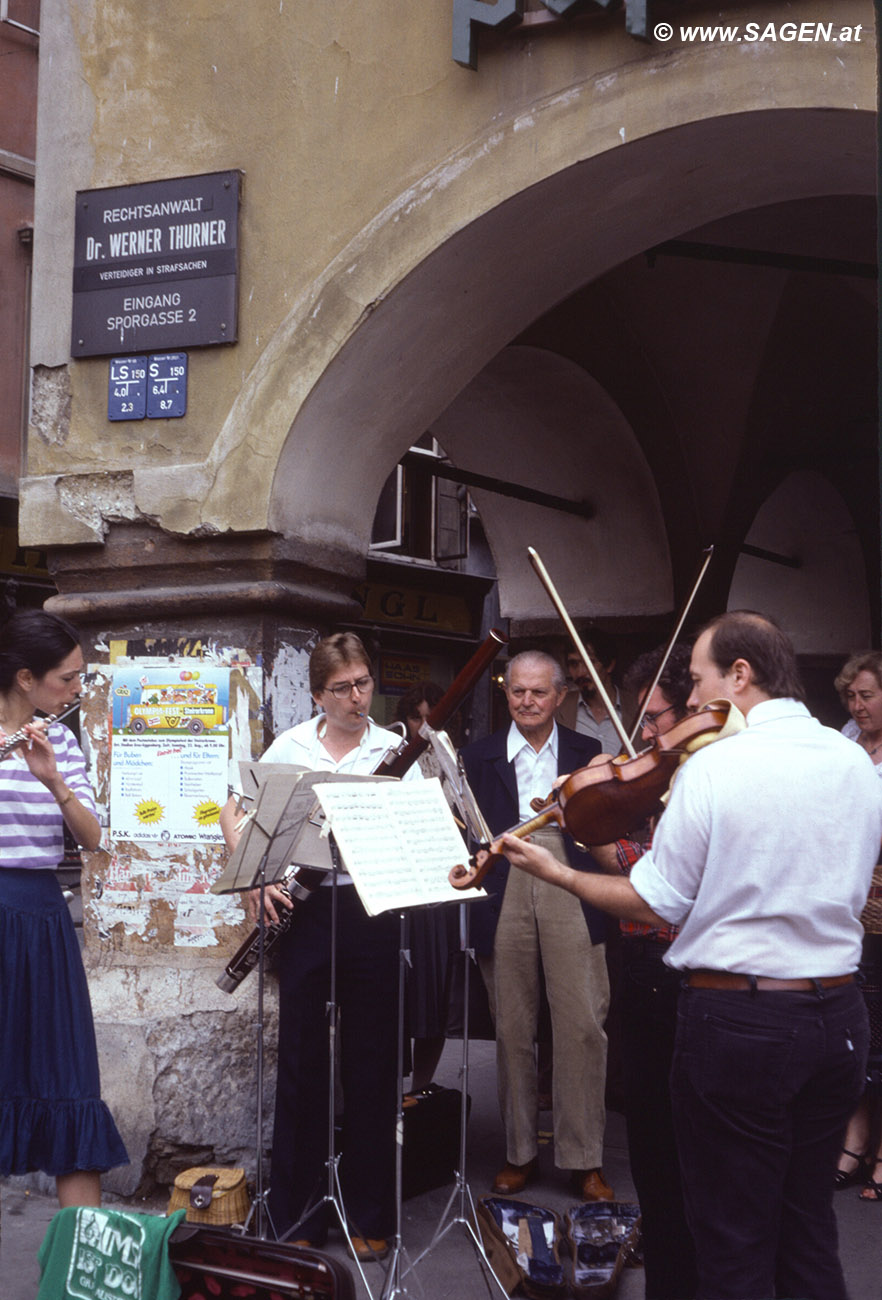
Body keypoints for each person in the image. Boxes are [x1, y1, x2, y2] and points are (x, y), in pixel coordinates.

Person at [499, 611, 882, 1300]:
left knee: (731, 1236)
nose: (696, 699)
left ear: (741, 675)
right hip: (839, 1016)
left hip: (743, 1021)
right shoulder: (853, 759)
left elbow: (657, 900)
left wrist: (557, 873)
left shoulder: (716, 766)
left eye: (701, 679)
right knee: (806, 1228)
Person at [220, 632, 422, 1261]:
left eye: (364, 683)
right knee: (303, 1062)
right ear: (317, 694)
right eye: (343, 688)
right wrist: (250, 875)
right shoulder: (292, 746)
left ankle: (369, 1213)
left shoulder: (395, 747)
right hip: (305, 912)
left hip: (372, 908)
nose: (357, 696)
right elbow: (235, 809)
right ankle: (297, 1212)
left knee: (373, 1065)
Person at [461, 649, 614, 1201]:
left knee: (581, 1023)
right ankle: (518, 1151)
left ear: (560, 696)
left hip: (570, 878)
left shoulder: (587, 751)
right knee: (512, 1027)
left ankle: (584, 1157)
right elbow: (466, 832)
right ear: (507, 695)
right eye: (517, 692)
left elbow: (602, 824)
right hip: (502, 882)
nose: (527, 701)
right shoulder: (476, 757)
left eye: (539, 692)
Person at [0, 609, 128, 1208]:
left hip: (42, 916)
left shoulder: (62, 742)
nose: (79, 690)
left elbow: (92, 838)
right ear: (26, 678)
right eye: (68, 678)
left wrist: (55, 781)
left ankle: (87, 1271)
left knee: (66, 1075)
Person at [588, 643, 697, 1300]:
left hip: (676, 965)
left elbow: (645, 875)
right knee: (649, 1131)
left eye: (655, 717)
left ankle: (679, 1259)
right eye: (641, 718)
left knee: (668, 1133)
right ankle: (663, 1232)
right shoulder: (663, 772)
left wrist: (595, 835)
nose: (647, 734)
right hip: (642, 961)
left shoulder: (699, 780)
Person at [833, 651, 882, 1200]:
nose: (857, 706)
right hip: (852, 896)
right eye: (852, 696)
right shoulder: (845, 738)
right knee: (861, 1024)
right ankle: (856, 1133)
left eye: (867, 695)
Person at [394, 681, 456, 1092]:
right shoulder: (392, 755)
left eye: (431, 717)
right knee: (397, 997)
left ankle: (422, 1089)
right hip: (399, 887)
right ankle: (392, 1089)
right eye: (417, 717)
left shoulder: (454, 760)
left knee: (434, 999)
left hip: (438, 890)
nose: (423, 726)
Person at [556, 630, 623, 754]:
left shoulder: (638, 706)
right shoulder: (558, 708)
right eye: (574, 664)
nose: (581, 672)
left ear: (610, 665)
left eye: (590, 662)